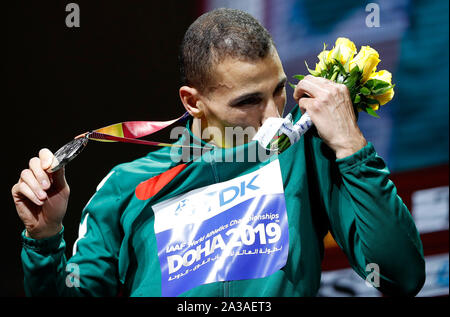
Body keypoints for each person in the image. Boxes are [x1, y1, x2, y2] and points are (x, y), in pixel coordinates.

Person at [12, 8, 425, 297]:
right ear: (193, 102)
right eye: (248, 101)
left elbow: (400, 275)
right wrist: (44, 239)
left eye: (279, 90)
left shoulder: (305, 153)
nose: (271, 115)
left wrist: (351, 145)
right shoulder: (126, 186)